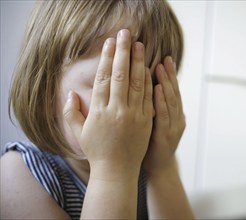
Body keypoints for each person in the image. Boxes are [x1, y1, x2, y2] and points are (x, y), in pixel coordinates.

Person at [0, 1, 194, 219]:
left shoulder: (153, 162)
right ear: (47, 92)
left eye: (153, 87)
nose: (136, 113)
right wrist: (112, 169)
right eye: (115, 86)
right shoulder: (18, 174)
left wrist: (163, 169)